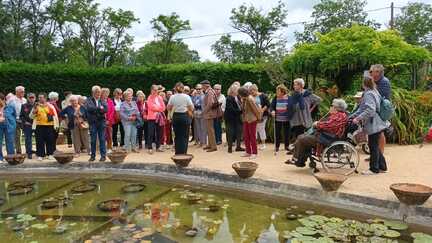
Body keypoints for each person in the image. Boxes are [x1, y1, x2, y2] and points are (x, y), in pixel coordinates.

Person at [286, 99, 348, 167]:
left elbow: (329, 125)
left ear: (336, 108)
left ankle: (297, 158)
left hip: (327, 138)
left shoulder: (338, 116)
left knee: (301, 139)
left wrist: (317, 124)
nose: (330, 107)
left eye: (332, 106)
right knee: (302, 137)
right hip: (327, 135)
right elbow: (329, 124)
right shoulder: (338, 115)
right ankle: (299, 159)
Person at [351, 76, 389, 175]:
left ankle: (374, 169)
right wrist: (352, 116)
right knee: (375, 145)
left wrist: (357, 118)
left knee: (373, 146)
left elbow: (370, 110)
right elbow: (362, 108)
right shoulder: (374, 91)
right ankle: (382, 166)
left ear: (364, 84)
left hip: (374, 123)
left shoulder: (368, 94)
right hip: (378, 122)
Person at [369, 64, 391, 156]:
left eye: (372, 72)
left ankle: (380, 155)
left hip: (381, 110)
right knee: (376, 132)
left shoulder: (384, 81)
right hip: (376, 109)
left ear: (378, 72)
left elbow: (380, 97)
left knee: (380, 132)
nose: (371, 73)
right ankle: (376, 155)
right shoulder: (376, 80)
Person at [167, 82, 194, 155]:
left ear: (175, 88)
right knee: (185, 136)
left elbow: (168, 107)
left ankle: (177, 152)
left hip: (176, 116)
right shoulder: (186, 97)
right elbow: (192, 108)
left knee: (177, 135)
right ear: (183, 89)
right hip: (184, 116)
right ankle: (184, 152)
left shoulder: (172, 97)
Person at [30, 93, 58, 161]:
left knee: (50, 140)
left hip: (50, 126)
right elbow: (31, 116)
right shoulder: (36, 106)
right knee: (39, 141)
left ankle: (50, 154)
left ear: (45, 98)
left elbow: (55, 116)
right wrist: (34, 111)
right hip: (39, 126)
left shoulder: (50, 106)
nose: (39, 99)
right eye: (39, 97)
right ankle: (40, 155)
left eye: (41, 97)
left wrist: (56, 126)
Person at [85, 85, 108, 162]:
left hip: (101, 122)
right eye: (96, 92)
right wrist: (99, 109)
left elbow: (105, 109)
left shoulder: (102, 100)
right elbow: (89, 108)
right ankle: (93, 156)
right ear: (93, 93)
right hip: (93, 123)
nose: (98, 94)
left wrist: (97, 110)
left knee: (102, 139)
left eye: (99, 92)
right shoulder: (89, 100)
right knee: (93, 140)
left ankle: (103, 156)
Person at [239, 87, 261, 159]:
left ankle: (255, 153)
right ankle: (248, 151)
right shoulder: (244, 99)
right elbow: (243, 109)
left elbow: (256, 110)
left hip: (252, 120)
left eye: (239, 94)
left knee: (252, 136)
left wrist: (259, 118)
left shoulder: (250, 99)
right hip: (246, 120)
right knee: (246, 136)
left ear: (242, 94)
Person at [224, 84, 244, 153]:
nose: (238, 91)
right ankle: (230, 148)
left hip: (237, 117)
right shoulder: (229, 98)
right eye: (237, 90)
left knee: (239, 131)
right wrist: (241, 111)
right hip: (230, 118)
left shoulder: (237, 97)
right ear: (233, 91)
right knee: (230, 132)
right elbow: (231, 109)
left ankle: (238, 146)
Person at [270, 84, 290, 153]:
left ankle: (287, 146)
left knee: (286, 132)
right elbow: (272, 106)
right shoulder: (275, 98)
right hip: (278, 118)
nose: (277, 92)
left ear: (282, 92)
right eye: (276, 91)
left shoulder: (288, 97)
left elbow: (291, 106)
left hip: (286, 118)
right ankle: (277, 146)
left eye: (278, 91)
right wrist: (272, 111)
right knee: (277, 132)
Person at [202, 80, 220, 152]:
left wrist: (204, 111)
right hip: (209, 113)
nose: (202, 87)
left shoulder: (209, 92)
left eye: (202, 85)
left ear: (206, 85)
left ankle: (213, 146)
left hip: (209, 114)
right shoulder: (210, 91)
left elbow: (210, 103)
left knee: (210, 130)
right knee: (209, 130)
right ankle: (210, 145)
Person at [147, 84, 166, 154]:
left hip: (159, 117)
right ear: (151, 90)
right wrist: (159, 108)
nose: (155, 91)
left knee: (159, 132)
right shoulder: (149, 98)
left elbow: (163, 107)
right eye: (154, 90)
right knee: (151, 133)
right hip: (151, 118)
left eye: (156, 90)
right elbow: (151, 107)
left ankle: (158, 146)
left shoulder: (159, 97)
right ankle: (149, 148)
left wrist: (157, 108)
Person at [250, 84, 270, 150]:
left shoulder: (263, 96)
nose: (252, 93)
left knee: (261, 129)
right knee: (254, 130)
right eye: (250, 91)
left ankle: (263, 144)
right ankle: (255, 144)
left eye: (252, 91)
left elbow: (268, 104)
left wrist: (262, 110)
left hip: (263, 115)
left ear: (256, 90)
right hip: (253, 116)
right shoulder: (250, 96)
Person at [0, 94, 16, 162]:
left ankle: (11, 157)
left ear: (3, 99)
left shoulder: (10, 107)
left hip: (9, 126)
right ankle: (0, 158)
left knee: (10, 141)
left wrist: (12, 124)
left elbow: (14, 116)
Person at [20, 93, 36, 159]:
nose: (31, 99)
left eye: (33, 97)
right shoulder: (24, 106)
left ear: (35, 98)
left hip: (36, 125)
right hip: (27, 125)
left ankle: (40, 152)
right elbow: (21, 116)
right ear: (27, 98)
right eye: (30, 97)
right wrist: (25, 122)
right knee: (28, 140)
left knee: (39, 139)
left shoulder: (37, 105)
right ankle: (29, 153)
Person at [11, 86, 26, 154]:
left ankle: (28, 151)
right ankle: (18, 151)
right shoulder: (12, 100)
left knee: (27, 136)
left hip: (24, 120)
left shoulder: (25, 100)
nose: (23, 93)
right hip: (15, 120)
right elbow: (9, 111)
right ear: (16, 92)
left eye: (23, 91)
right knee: (17, 136)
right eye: (21, 92)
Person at [101, 88, 115, 153]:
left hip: (109, 121)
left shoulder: (110, 101)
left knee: (109, 134)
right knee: (102, 135)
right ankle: (103, 148)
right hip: (101, 121)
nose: (106, 94)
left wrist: (108, 120)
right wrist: (103, 120)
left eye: (107, 93)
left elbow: (112, 111)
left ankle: (109, 148)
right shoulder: (99, 101)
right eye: (104, 93)